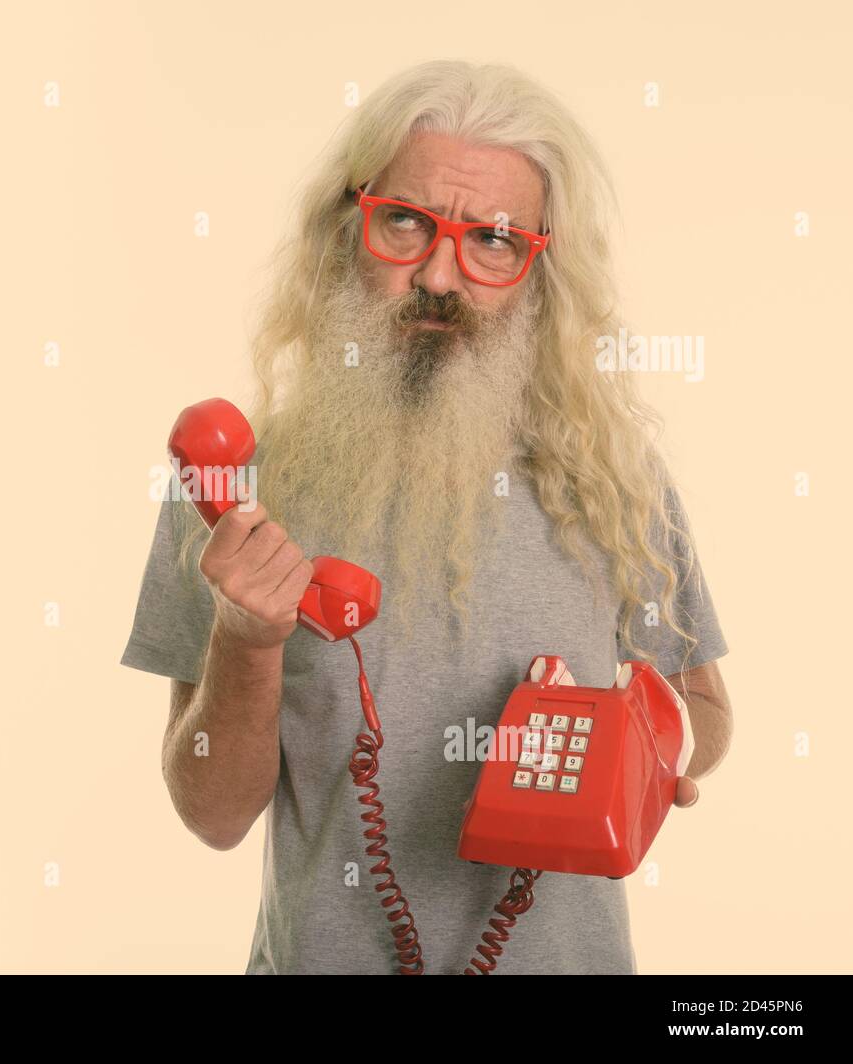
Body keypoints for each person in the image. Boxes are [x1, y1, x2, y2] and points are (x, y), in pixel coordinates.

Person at [120, 60, 733, 975]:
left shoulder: (613, 479)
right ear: (346, 227)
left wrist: (643, 748)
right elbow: (211, 816)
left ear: (541, 268)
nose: (440, 273)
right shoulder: (239, 491)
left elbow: (706, 710)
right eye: (405, 221)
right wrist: (246, 643)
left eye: (492, 239)